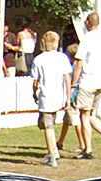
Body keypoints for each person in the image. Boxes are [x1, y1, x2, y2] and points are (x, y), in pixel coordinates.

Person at [71, 12, 101, 159]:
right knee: (91, 114)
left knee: (84, 116)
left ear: (88, 23)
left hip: (88, 81)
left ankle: (88, 150)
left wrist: (73, 85)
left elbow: (79, 63)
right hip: (100, 81)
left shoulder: (86, 39)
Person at [30, 31, 71, 167]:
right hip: (59, 95)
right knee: (51, 123)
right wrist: (68, 97)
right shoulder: (62, 58)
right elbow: (67, 78)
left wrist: (34, 93)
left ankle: (52, 155)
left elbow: (35, 81)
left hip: (46, 96)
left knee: (48, 126)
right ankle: (54, 150)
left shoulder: (39, 59)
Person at [57, 43, 86, 155]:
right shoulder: (81, 67)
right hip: (77, 94)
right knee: (66, 120)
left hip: (72, 97)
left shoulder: (73, 68)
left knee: (75, 121)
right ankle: (60, 142)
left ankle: (82, 144)